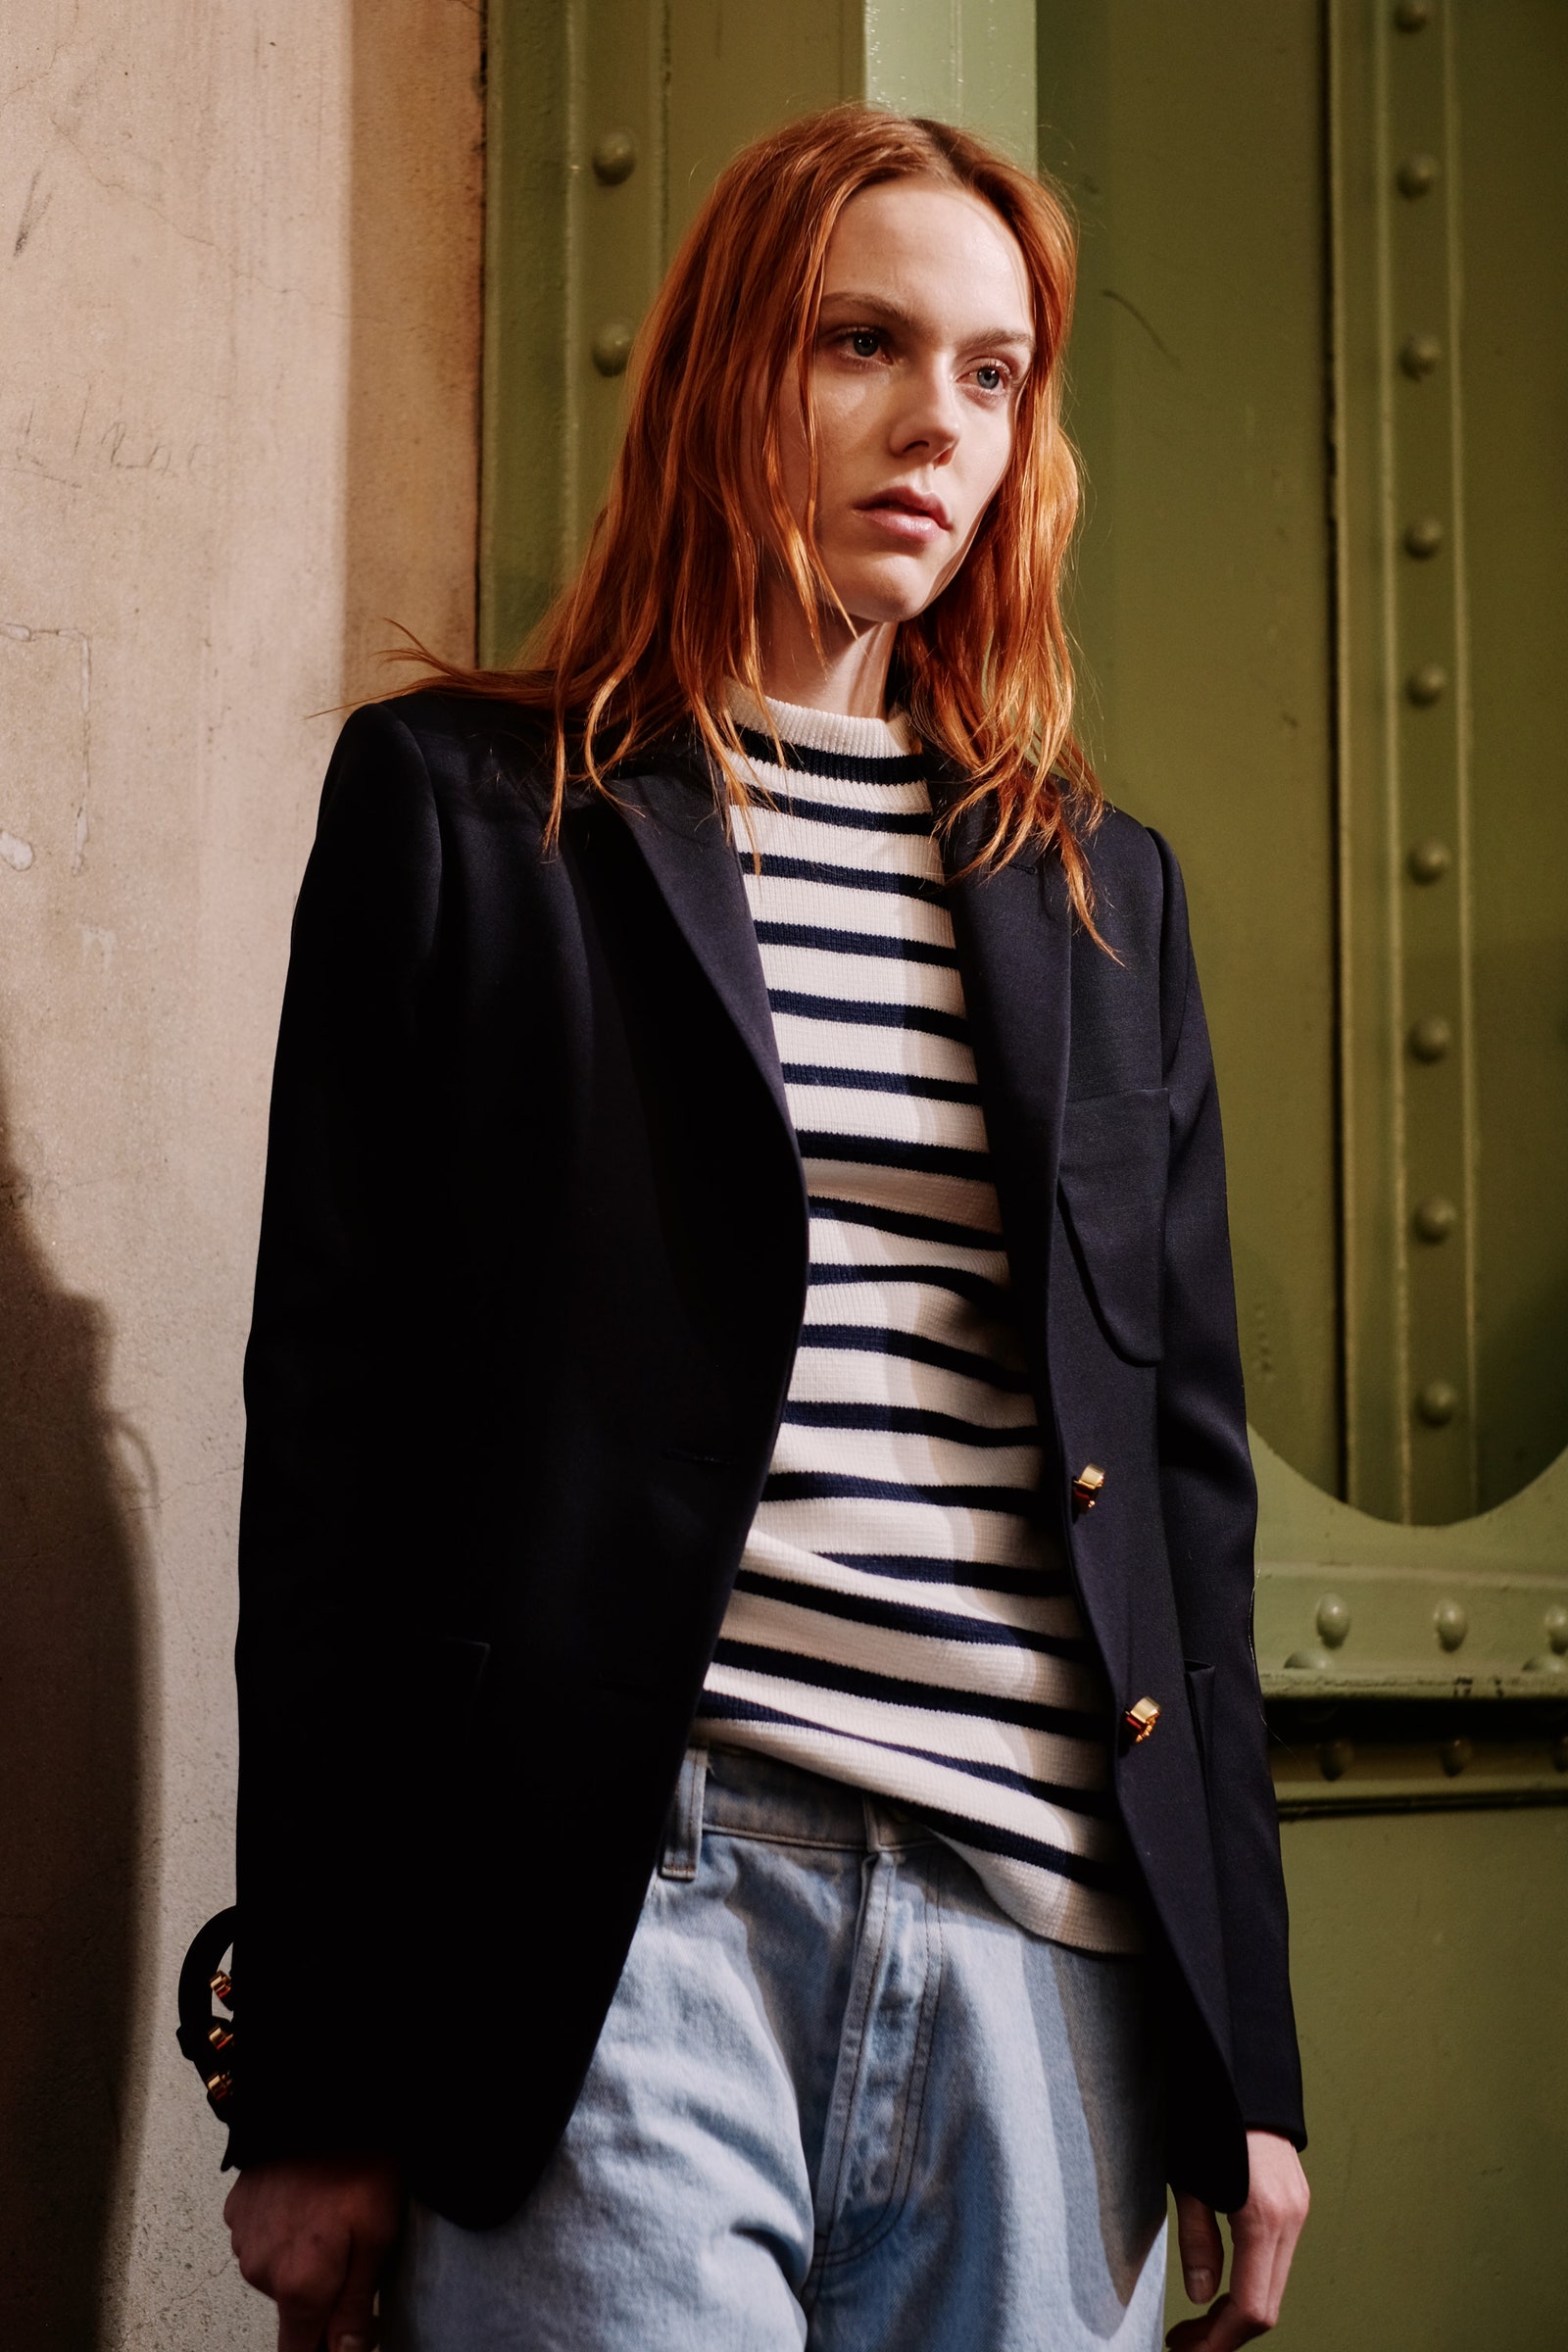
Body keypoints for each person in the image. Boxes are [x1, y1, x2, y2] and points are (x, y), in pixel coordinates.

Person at [219, 103, 1308, 2352]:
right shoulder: (467, 819)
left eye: (992, 373)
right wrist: (311, 2079)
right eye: (859, 343)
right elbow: (336, 1481)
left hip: (1042, 1954)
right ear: (729, 366)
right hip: (623, 1935)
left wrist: (1250, 2070)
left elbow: (1183, 1515)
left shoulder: (1100, 897)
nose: (937, 423)